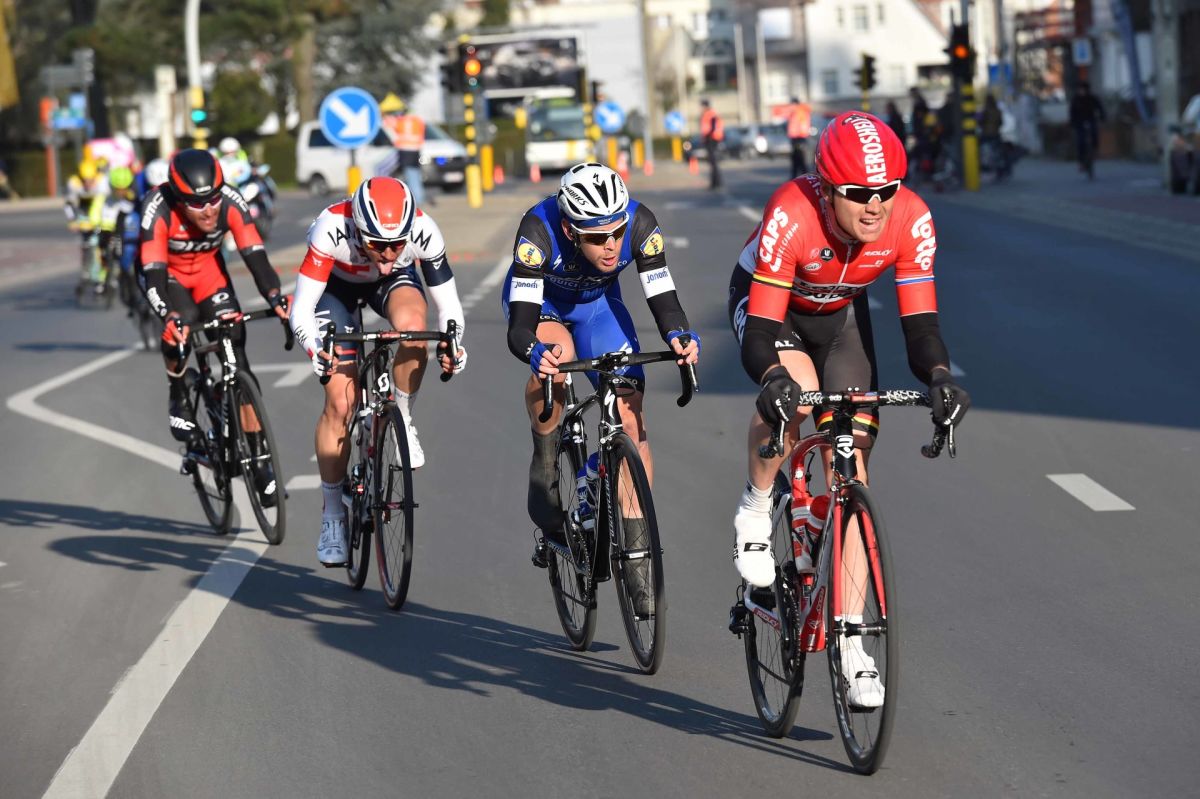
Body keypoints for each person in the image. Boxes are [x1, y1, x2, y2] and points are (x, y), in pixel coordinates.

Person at [727, 112, 970, 705]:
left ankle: (853, 639)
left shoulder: (912, 217)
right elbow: (759, 335)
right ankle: (756, 506)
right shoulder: (792, 211)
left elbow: (921, 327)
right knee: (795, 395)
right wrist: (773, 377)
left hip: (841, 321)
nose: (876, 205)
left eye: (886, 190)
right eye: (859, 193)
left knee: (853, 469)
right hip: (774, 311)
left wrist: (939, 377)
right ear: (827, 187)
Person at [502, 162, 700, 613]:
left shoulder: (641, 224)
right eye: (596, 238)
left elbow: (662, 296)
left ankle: (636, 551)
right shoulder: (538, 231)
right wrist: (535, 352)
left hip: (598, 308)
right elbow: (520, 327)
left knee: (630, 414)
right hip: (543, 307)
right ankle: (546, 453)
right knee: (557, 361)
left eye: (616, 233)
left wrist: (679, 335)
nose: (610, 246)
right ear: (570, 230)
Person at [289, 176, 467, 566]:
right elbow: (301, 308)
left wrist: (453, 344)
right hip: (335, 289)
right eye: (377, 244)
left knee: (414, 331)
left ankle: (401, 416)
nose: (387, 253)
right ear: (358, 228)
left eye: (397, 244)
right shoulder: (331, 227)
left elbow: (449, 307)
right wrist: (315, 348)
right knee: (341, 402)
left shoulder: (423, 229)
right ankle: (333, 514)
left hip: (391, 284)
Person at [140, 148, 289, 506]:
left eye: (213, 199)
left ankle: (260, 461)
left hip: (208, 274)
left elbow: (255, 255)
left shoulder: (231, 201)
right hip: (169, 277)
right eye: (197, 203)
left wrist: (275, 296)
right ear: (179, 199)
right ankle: (178, 394)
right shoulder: (158, 207)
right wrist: (168, 315)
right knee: (181, 328)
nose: (208, 210)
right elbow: (153, 277)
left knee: (238, 356)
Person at [380, 101, 427, 207]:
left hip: (405, 150)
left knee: (410, 175)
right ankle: (419, 197)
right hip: (416, 150)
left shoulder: (401, 120)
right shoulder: (418, 120)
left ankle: (416, 200)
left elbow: (387, 123)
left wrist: (383, 114)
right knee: (415, 174)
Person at [1069, 81, 1105, 176]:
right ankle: (1081, 162)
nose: (1082, 91)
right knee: (1080, 141)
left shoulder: (1092, 98)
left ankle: (1095, 150)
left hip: (1091, 119)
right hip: (1079, 122)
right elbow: (1072, 112)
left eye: (1084, 89)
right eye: (1080, 89)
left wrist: (1102, 117)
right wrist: (1072, 123)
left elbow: (1100, 108)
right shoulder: (1075, 99)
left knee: (1094, 134)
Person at [700, 98, 724, 190]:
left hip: (712, 140)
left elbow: (713, 127)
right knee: (712, 163)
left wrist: (708, 136)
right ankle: (715, 183)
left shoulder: (710, 114)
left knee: (713, 163)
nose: (701, 108)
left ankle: (716, 183)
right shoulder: (708, 114)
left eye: (702, 106)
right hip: (710, 139)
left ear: (705, 106)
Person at [786, 98, 812, 179]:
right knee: (796, 159)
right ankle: (796, 177)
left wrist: (801, 139)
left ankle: (805, 177)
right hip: (795, 138)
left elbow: (803, 126)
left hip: (799, 138)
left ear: (795, 104)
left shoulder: (800, 112)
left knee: (800, 159)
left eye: (791, 104)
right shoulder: (794, 113)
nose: (790, 106)